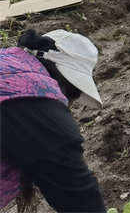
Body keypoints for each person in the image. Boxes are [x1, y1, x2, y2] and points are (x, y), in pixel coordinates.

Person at [1, 28, 105, 212]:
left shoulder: (7, 63)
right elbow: (80, 198)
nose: (68, 102)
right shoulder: (34, 101)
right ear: (63, 79)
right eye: (73, 93)